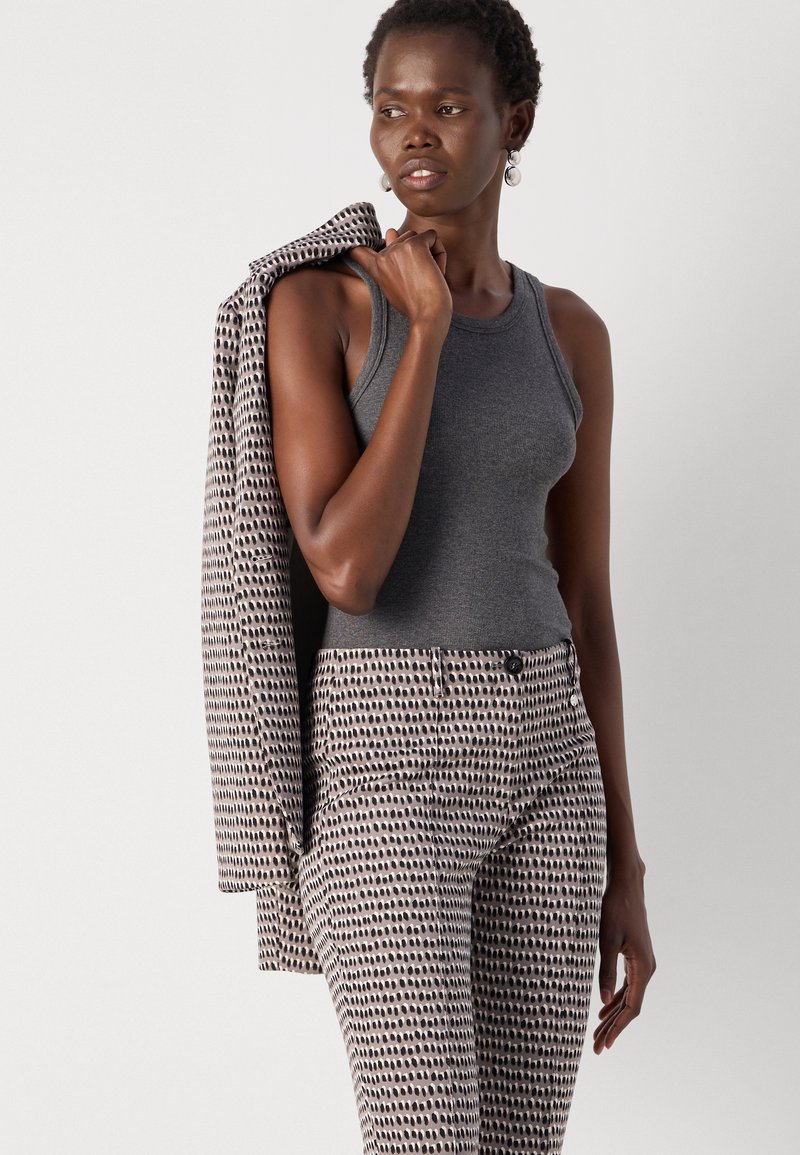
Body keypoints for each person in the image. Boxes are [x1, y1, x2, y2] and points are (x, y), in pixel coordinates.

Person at [264, 0, 656, 1151]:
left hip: (548, 761)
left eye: (446, 105)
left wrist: (624, 862)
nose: (413, 133)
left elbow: (585, 599)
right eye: (389, 107)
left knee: (520, 1145)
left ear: (513, 121)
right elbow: (346, 567)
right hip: (387, 763)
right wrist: (426, 334)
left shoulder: (566, 332)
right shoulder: (319, 305)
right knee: (425, 1137)